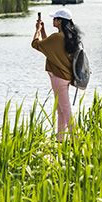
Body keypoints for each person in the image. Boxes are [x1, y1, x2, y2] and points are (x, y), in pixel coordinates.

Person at [32, 8, 82, 140]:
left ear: (60, 21)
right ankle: (60, 139)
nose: (53, 20)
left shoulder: (57, 37)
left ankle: (75, 139)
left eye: (55, 19)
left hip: (58, 77)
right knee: (60, 109)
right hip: (66, 77)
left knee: (65, 109)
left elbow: (36, 44)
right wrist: (43, 30)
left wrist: (37, 29)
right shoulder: (68, 37)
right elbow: (48, 45)